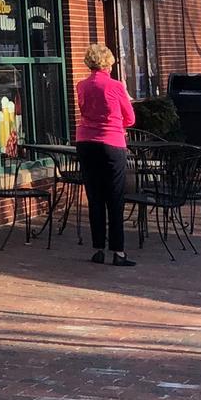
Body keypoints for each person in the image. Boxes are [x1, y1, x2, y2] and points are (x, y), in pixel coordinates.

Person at [74, 41, 138, 267]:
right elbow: (130, 118)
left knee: (95, 197)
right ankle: (118, 251)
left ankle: (98, 249)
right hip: (111, 143)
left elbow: (85, 110)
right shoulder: (116, 86)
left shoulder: (81, 86)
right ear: (107, 64)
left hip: (85, 142)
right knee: (115, 197)